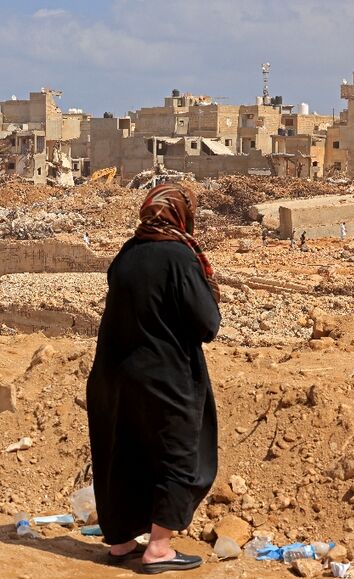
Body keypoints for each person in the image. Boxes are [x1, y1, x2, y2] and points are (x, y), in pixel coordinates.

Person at [86, 182, 220, 574]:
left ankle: (122, 540)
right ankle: (159, 549)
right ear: (183, 215)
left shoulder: (127, 253)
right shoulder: (179, 257)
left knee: (123, 452)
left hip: (114, 376)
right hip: (166, 376)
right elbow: (207, 324)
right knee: (181, 453)